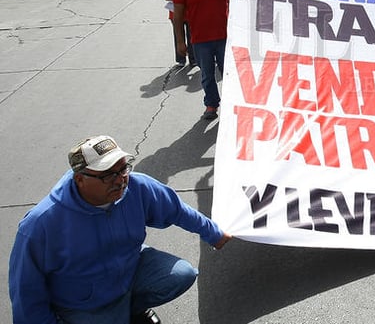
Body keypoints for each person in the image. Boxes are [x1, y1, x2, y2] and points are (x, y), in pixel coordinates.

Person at [9, 135, 232, 324]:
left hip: (127, 271)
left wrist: (214, 233)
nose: (120, 180)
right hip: (83, 302)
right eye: (108, 175)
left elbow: (177, 210)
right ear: (80, 179)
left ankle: (131, 309)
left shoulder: (137, 186)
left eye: (123, 168)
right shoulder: (41, 224)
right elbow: (25, 292)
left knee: (182, 274)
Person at [173, 0, 233, 120]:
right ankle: (211, 104)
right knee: (207, 75)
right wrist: (180, 42)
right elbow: (177, 16)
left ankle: (232, 105)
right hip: (200, 41)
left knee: (229, 75)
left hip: (224, 38)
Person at [164, 0, 194, 67]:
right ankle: (180, 59)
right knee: (178, 37)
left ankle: (193, 58)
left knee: (192, 37)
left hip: (189, 14)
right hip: (175, 15)